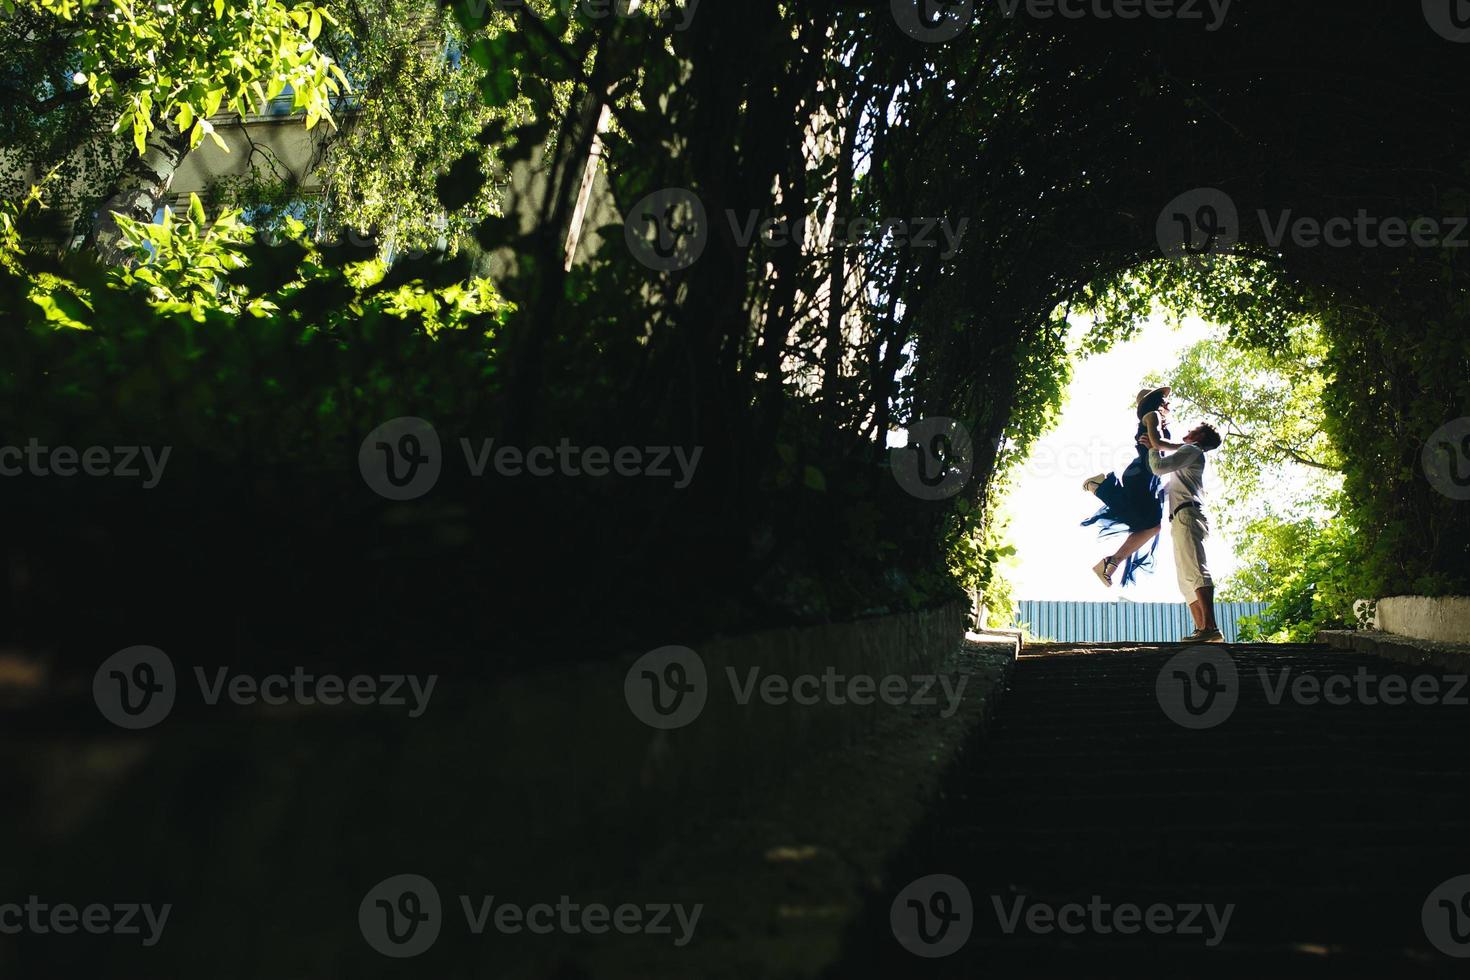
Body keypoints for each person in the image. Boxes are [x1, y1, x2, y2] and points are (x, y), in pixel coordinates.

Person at [1080, 386, 1173, 587]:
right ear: (1155, 402)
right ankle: (1101, 486)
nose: (1168, 403)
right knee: (1146, 522)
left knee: (1152, 525)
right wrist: (1189, 450)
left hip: (1146, 476)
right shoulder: (1153, 415)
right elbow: (1157, 443)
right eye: (1164, 400)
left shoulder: (1156, 418)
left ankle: (1111, 562)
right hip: (1141, 473)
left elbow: (1157, 448)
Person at [1143, 420, 1224, 643]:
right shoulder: (1188, 456)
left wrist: (1152, 445)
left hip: (1187, 515)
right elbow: (1165, 451)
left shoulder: (1192, 449)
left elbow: (1158, 467)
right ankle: (1201, 630)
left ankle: (1211, 628)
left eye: (1193, 430)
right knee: (1186, 577)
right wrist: (1155, 445)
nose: (1187, 432)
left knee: (1196, 570)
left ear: (1199, 438)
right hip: (1181, 517)